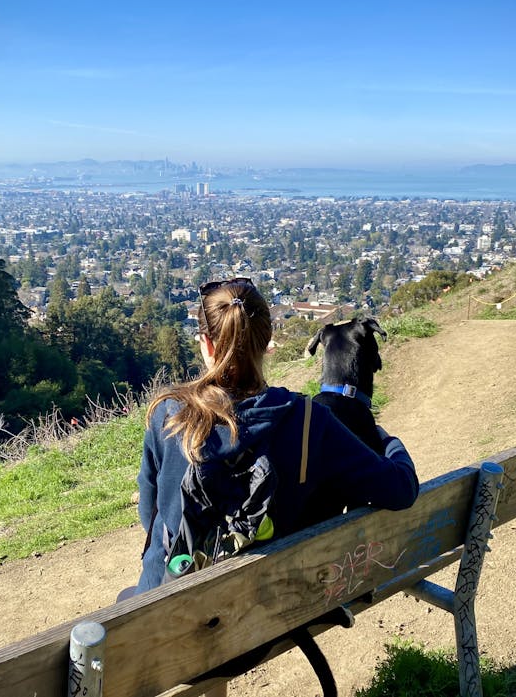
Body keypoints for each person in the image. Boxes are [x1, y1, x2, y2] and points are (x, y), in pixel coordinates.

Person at [134, 278, 419, 694]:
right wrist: (386, 440)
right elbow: (401, 489)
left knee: (139, 597)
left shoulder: (168, 416)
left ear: (206, 345)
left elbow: (153, 519)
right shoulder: (308, 421)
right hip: (263, 622)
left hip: (168, 623)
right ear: (268, 343)